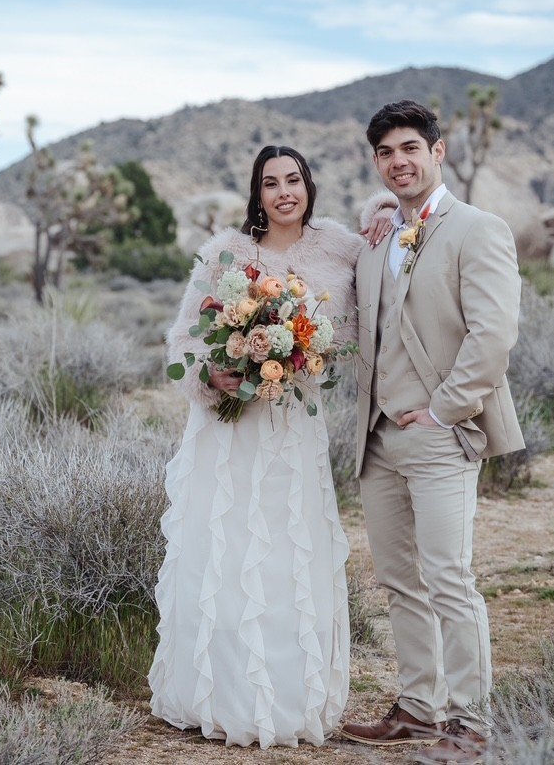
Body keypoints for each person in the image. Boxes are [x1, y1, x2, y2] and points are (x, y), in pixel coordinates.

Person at [150, 145, 393, 748]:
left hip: (293, 427)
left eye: (294, 180)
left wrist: (383, 208)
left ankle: (287, 698)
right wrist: (213, 374)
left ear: (309, 186)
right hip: (230, 429)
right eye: (270, 183)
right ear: (256, 194)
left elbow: (389, 241)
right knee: (228, 550)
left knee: (289, 550)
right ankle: (221, 695)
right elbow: (182, 341)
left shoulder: (341, 248)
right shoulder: (225, 253)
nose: (285, 192)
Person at [343, 100, 524, 764]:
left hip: (442, 433)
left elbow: (493, 335)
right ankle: (418, 708)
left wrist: (445, 410)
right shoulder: (378, 237)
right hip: (377, 437)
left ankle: (470, 722)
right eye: (386, 152)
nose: (399, 162)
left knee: (449, 578)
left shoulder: (478, 229)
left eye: (410, 148)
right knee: (398, 581)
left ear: (437, 151)